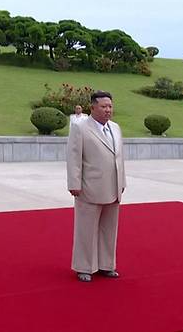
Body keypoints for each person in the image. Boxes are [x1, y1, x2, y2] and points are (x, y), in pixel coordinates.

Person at [66, 90, 126, 282]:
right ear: (92, 108)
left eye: (110, 106)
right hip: (89, 187)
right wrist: (74, 183)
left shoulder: (115, 128)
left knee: (109, 229)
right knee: (86, 229)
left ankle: (106, 265)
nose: (108, 110)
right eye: (103, 106)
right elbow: (74, 157)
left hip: (113, 187)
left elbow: (119, 158)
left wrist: (122, 181)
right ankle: (84, 266)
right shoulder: (80, 128)